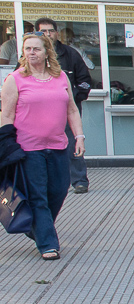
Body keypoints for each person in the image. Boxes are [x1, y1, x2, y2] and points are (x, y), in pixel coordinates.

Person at [0, 33, 85, 259]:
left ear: (47, 52)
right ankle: (48, 244)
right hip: (28, 149)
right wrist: (7, 145)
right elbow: (6, 115)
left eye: (36, 49)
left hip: (58, 145)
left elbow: (72, 109)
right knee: (38, 196)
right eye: (27, 49)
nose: (31, 53)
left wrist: (79, 136)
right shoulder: (15, 79)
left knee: (58, 191)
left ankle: (35, 227)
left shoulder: (60, 77)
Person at [34, 18, 91, 194]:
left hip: (66, 111)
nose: (48, 34)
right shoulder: (29, 58)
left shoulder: (71, 54)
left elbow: (85, 81)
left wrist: (73, 97)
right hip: (38, 112)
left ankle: (79, 181)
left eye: (51, 31)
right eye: (43, 31)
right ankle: (47, 181)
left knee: (73, 143)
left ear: (57, 33)